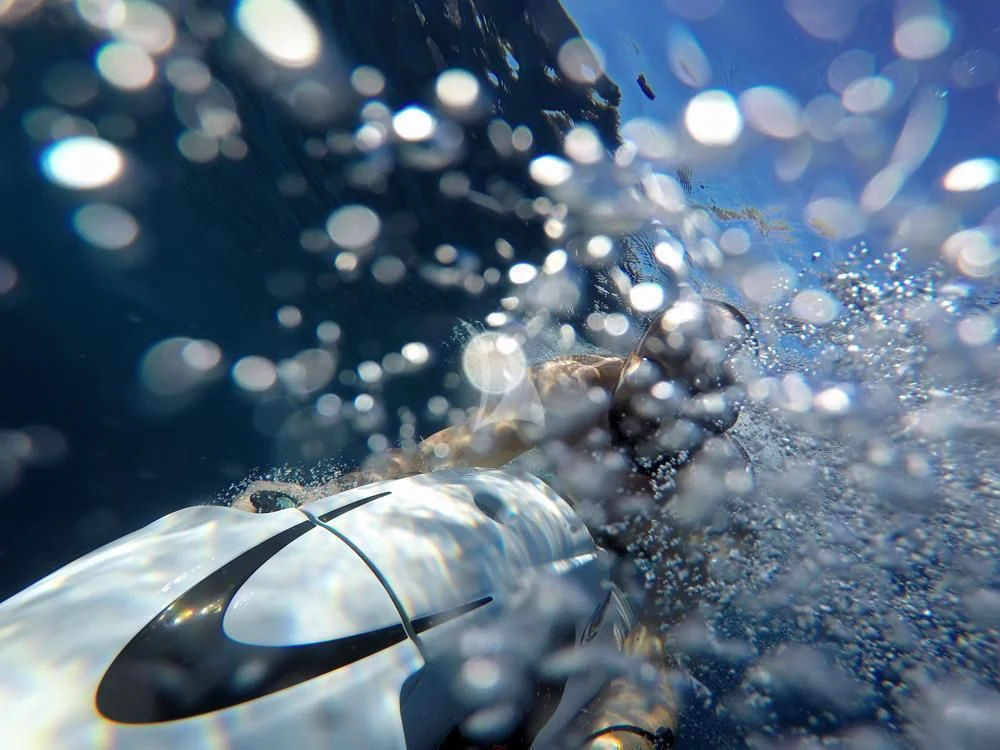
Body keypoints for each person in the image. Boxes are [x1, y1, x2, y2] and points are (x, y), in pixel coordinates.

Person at [230, 292, 757, 749]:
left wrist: (624, 733)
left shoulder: (712, 485)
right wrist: (319, 499)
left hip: (632, 578)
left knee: (607, 660)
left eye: (686, 392)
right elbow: (443, 456)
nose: (654, 416)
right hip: (559, 533)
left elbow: (661, 640)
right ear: (638, 351)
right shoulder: (570, 388)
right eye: (659, 372)